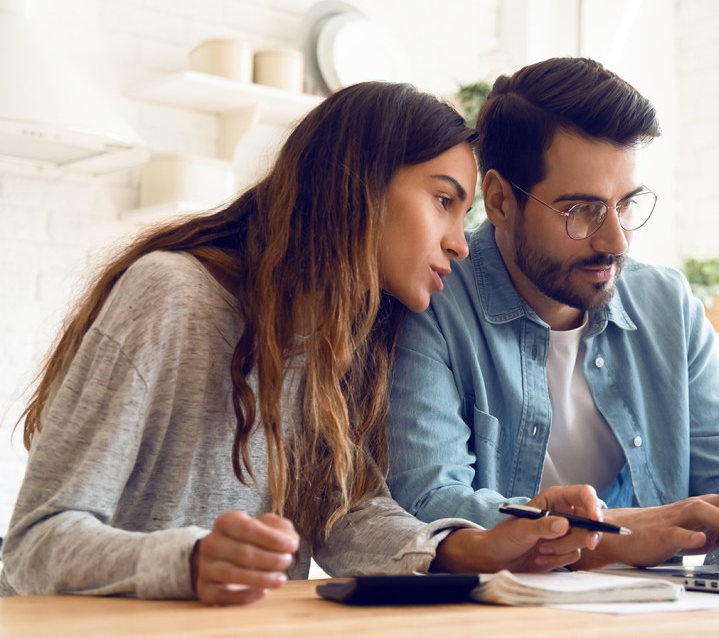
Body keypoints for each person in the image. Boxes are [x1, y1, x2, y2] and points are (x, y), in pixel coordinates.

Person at [0, 81, 605, 606]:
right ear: (357, 185)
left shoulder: (344, 340)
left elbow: (345, 516)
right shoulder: (171, 295)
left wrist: (473, 549)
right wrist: (188, 562)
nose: (460, 244)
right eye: (443, 201)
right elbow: (36, 542)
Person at [387, 58, 719, 570]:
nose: (615, 240)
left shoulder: (668, 305)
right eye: (581, 211)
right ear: (502, 201)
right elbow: (429, 504)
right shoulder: (429, 301)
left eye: (628, 204)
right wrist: (615, 537)